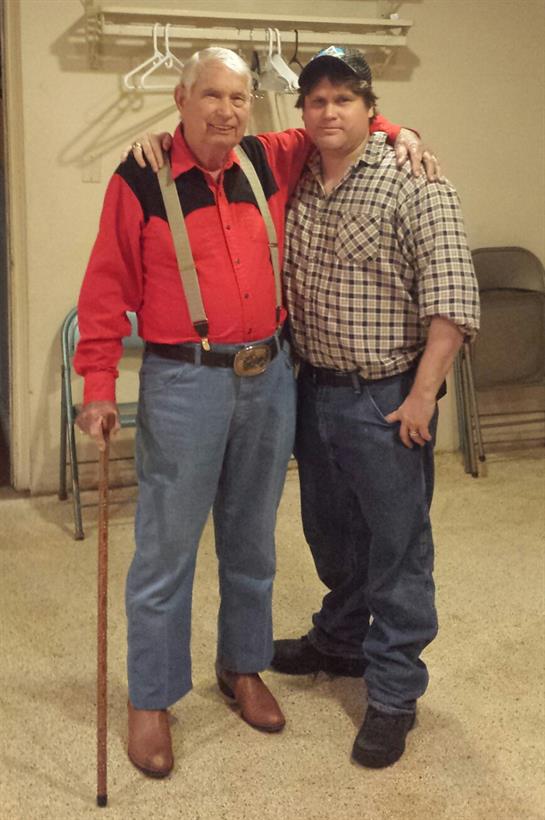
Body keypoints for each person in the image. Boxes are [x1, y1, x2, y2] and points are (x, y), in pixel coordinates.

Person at [75, 46, 425, 779]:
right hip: (183, 381)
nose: (227, 111)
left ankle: (241, 666)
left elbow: (341, 120)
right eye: (211, 95)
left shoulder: (267, 158)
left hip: (268, 377)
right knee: (166, 548)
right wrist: (98, 386)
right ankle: (151, 697)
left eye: (238, 97)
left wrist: (401, 130)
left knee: (251, 539)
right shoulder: (139, 177)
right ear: (180, 98)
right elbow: (105, 287)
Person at [267, 46, 480, 769]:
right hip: (313, 390)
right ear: (303, 111)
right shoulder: (297, 179)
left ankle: (393, 693)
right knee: (329, 534)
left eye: (344, 99)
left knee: (397, 548)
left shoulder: (415, 180)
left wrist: (422, 395)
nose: (329, 111)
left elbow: (452, 302)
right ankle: (340, 640)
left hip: (385, 399)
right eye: (317, 100)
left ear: (369, 109)